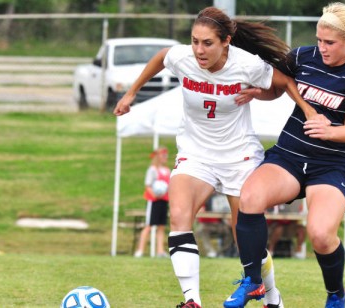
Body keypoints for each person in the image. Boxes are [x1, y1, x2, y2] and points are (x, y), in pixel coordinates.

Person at [114, 6, 324, 308]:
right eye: (194, 41)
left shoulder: (247, 64)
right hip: (195, 154)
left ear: (226, 41)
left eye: (207, 43)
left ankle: (272, 297)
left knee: (246, 242)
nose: (199, 50)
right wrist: (131, 93)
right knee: (179, 217)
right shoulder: (183, 57)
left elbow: (282, 85)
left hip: (238, 156)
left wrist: (301, 109)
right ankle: (192, 301)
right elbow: (162, 56)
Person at [224, 2, 345, 308]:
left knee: (320, 235)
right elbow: (280, 86)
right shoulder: (303, 56)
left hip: (332, 166)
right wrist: (260, 91)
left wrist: (327, 129)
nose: (321, 47)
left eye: (329, 42)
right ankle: (253, 282)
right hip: (290, 156)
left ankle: (335, 294)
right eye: (319, 39)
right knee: (249, 200)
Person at [134, 146, 171, 258]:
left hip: (164, 200)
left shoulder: (167, 170)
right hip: (154, 201)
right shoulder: (152, 170)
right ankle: (140, 250)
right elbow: (148, 185)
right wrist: (155, 194)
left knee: (161, 226)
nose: (165, 157)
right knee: (149, 225)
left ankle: (160, 251)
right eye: (163, 155)